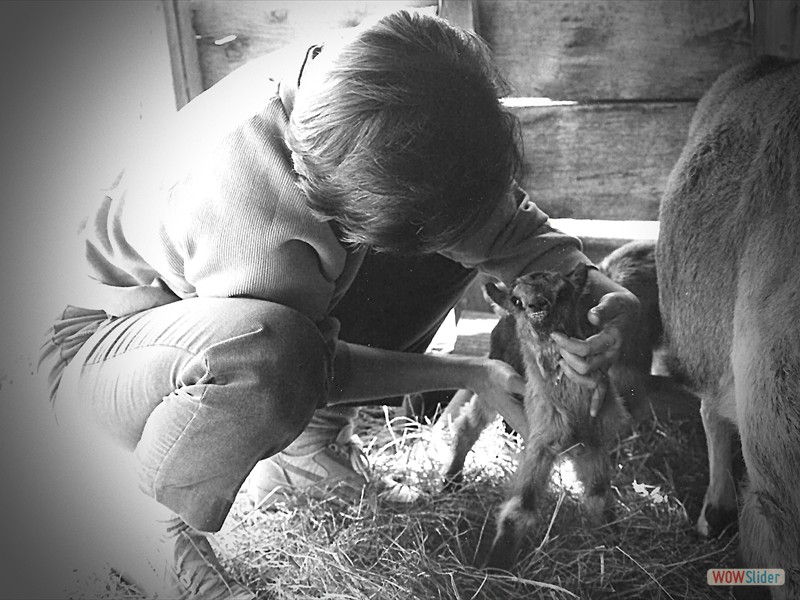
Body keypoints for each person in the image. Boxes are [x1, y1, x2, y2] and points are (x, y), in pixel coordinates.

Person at [40, 10, 639, 599]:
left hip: (239, 303)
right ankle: (149, 524)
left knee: (436, 228)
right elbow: (305, 364)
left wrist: (601, 297)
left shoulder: (381, 92)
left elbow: (505, 233)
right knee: (272, 356)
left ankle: (308, 445)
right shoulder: (258, 222)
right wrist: (468, 372)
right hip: (103, 353)